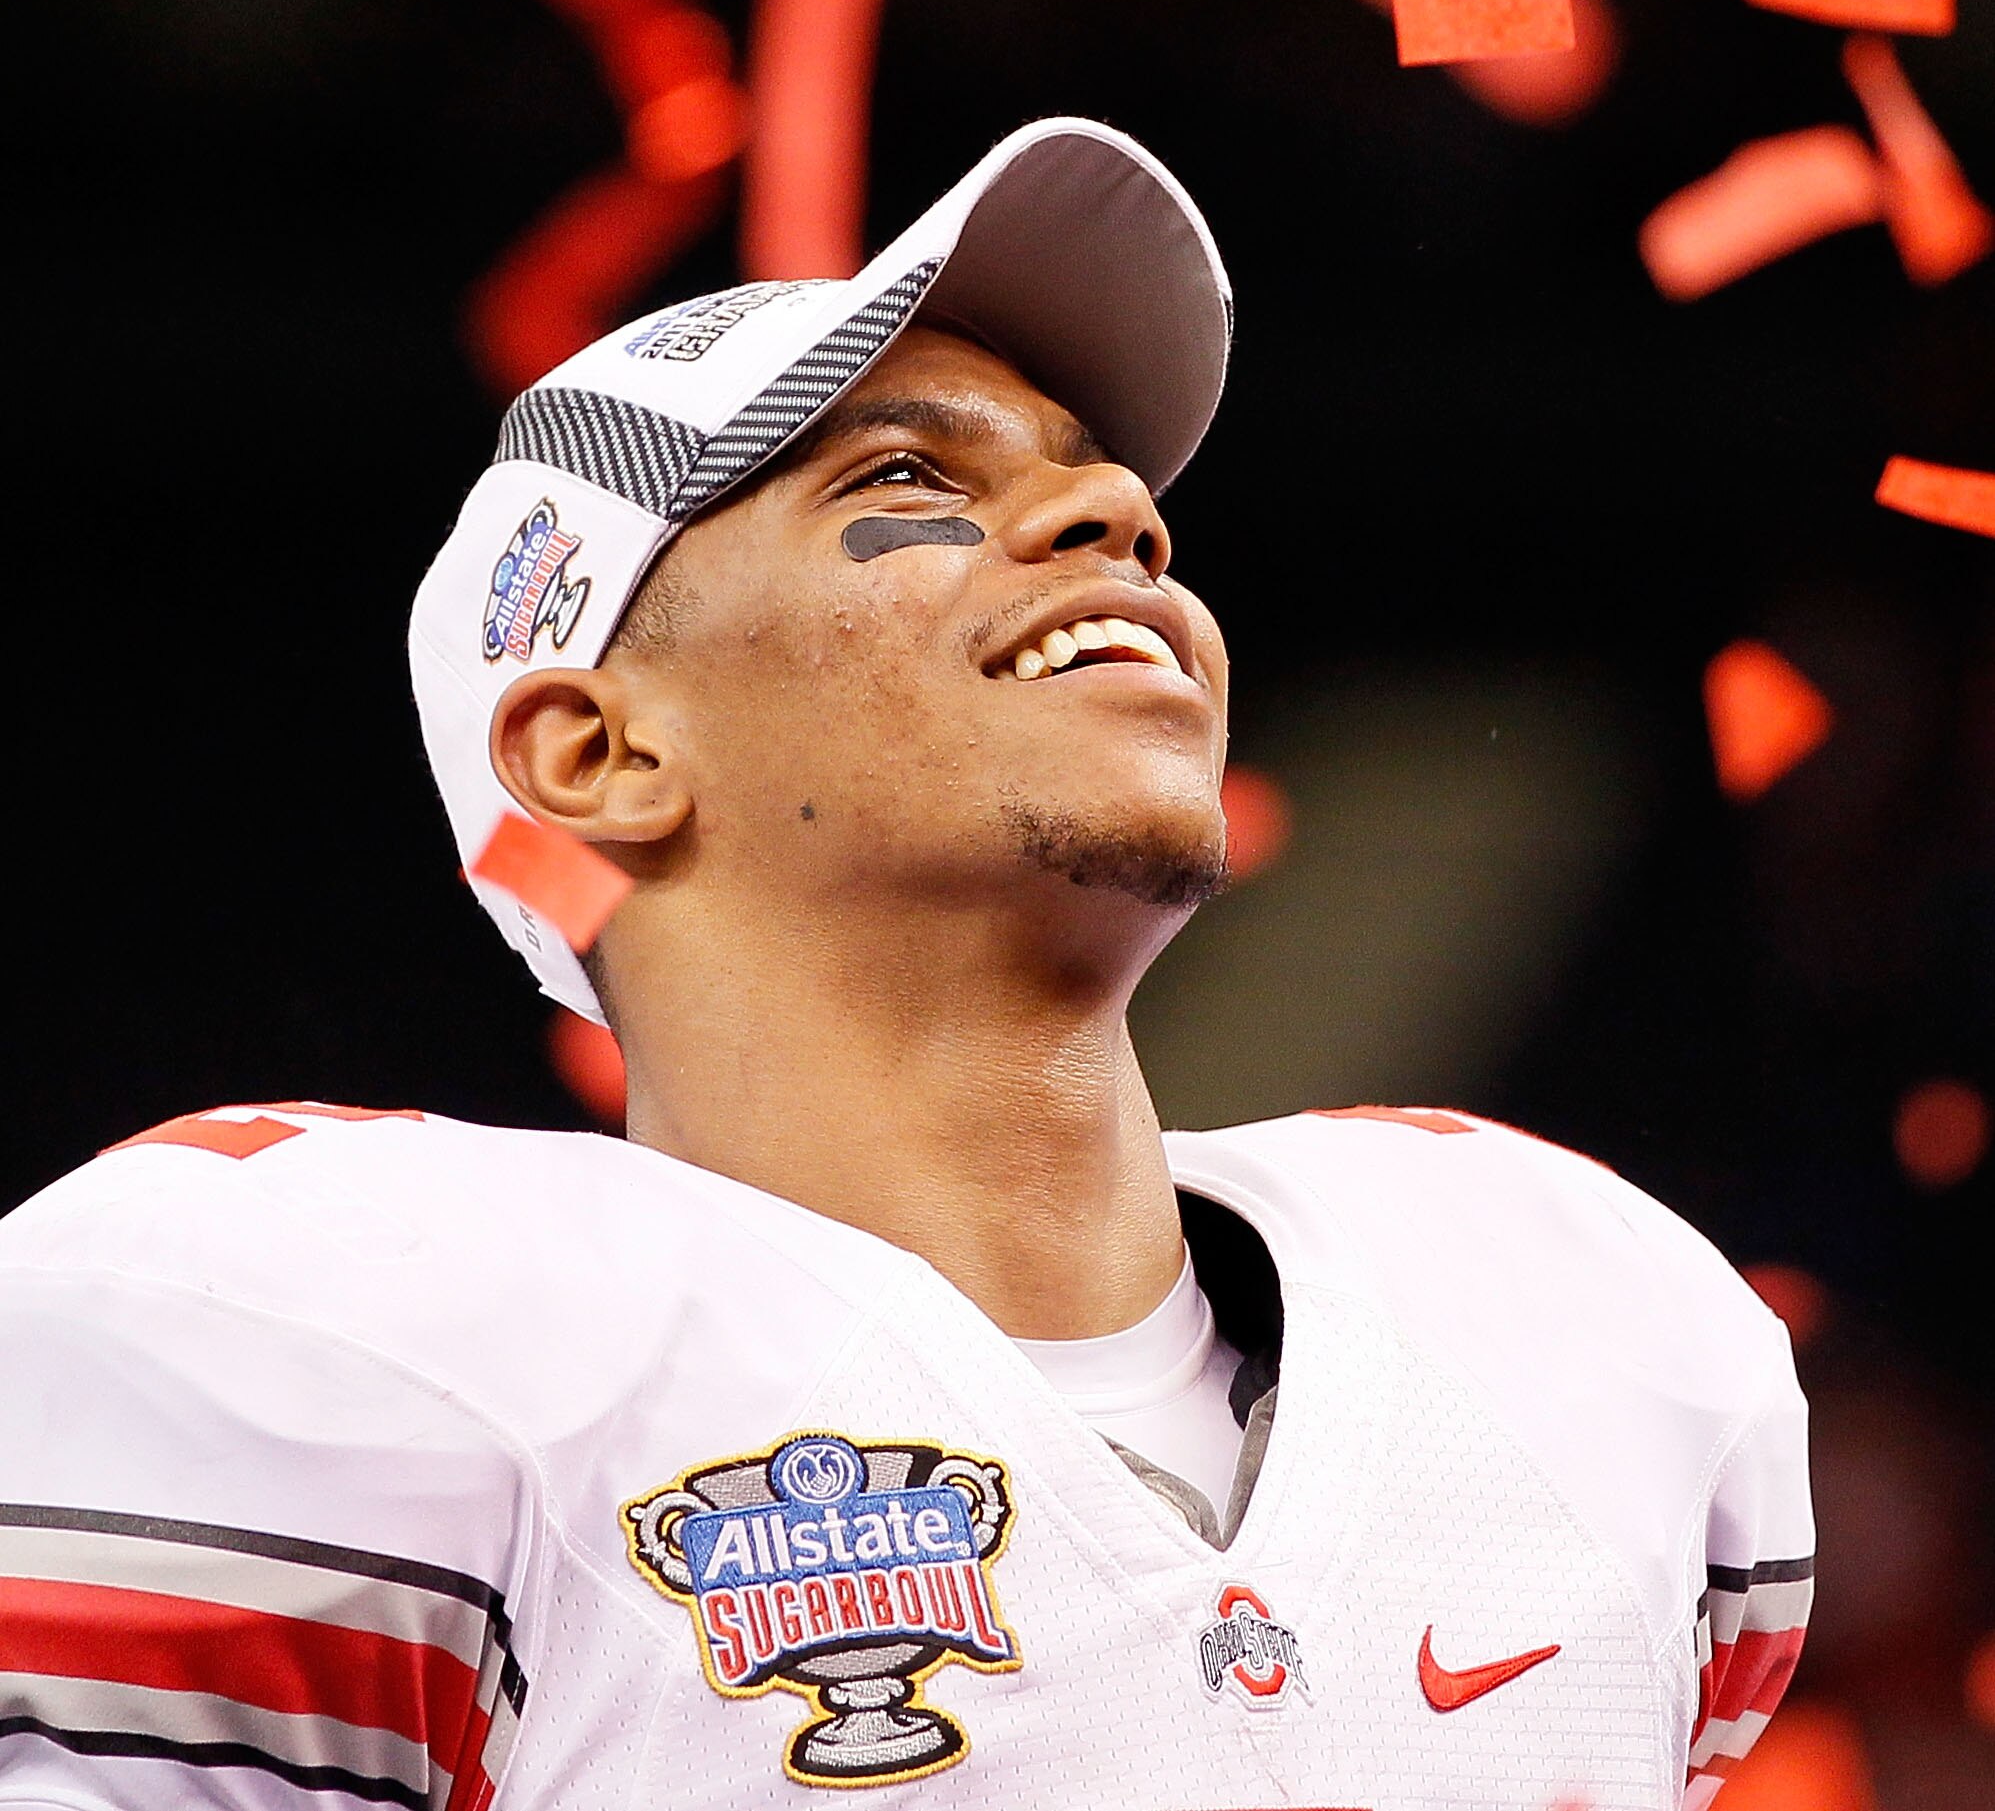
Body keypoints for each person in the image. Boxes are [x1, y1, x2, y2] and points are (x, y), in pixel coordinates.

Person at [0, 119, 1809, 1809]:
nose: (1117, 522)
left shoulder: (1568, 1314)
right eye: (909, 475)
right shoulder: (334, 1330)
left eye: (1112, 491)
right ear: (598, 750)